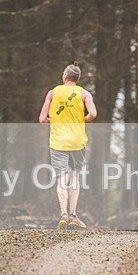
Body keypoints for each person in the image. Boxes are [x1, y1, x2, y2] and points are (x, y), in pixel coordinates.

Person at [38, 61, 97, 229]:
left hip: (58, 142)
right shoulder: (84, 93)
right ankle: (73, 215)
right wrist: (81, 119)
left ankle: (63, 214)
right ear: (77, 78)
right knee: (74, 177)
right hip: (78, 141)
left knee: (62, 178)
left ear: (64, 76)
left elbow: (42, 119)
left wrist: (56, 120)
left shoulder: (52, 93)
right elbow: (93, 113)